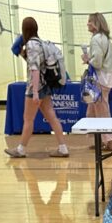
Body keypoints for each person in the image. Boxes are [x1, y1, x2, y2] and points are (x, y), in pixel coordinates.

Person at [5, 16, 70, 159]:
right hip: (45, 85)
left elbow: (34, 69)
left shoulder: (31, 45)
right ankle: (63, 148)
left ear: (24, 30)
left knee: (28, 119)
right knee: (52, 116)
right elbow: (33, 61)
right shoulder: (39, 43)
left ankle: (21, 149)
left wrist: (34, 92)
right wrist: (21, 51)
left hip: (36, 87)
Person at [81, 12, 112, 150]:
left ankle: (109, 141)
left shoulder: (96, 39)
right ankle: (98, 139)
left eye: (90, 21)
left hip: (100, 78)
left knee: (102, 110)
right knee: (93, 109)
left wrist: (87, 60)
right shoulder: (105, 38)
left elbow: (97, 61)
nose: (87, 23)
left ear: (96, 23)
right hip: (107, 77)